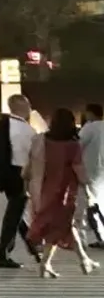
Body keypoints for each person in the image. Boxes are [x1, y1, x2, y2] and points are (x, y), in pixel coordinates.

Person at [25, 107, 99, 277]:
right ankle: (80, 261)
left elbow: (29, 163)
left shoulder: (40, 140)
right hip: (63, 193)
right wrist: (87, 188)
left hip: (42, 191)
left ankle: (73, 261)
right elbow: (78, 168)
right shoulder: (72, 145)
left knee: (60, 227)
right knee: (62, 226)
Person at [0, 94, 41, 269]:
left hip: (4, 174)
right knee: (14, 214)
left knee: (16, 212)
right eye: (28, 106)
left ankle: (32, 246)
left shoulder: (2, 125)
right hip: (18, 175)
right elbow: (31, 158)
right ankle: (3, 254)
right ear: (23, 108)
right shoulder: (26, 130)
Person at [79, 103, 104, 250]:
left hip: (90, 170)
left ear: (89, 113)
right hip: (102, 172)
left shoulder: (90, 128)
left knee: (91, 205)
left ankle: (100, 236)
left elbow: (77, 144)